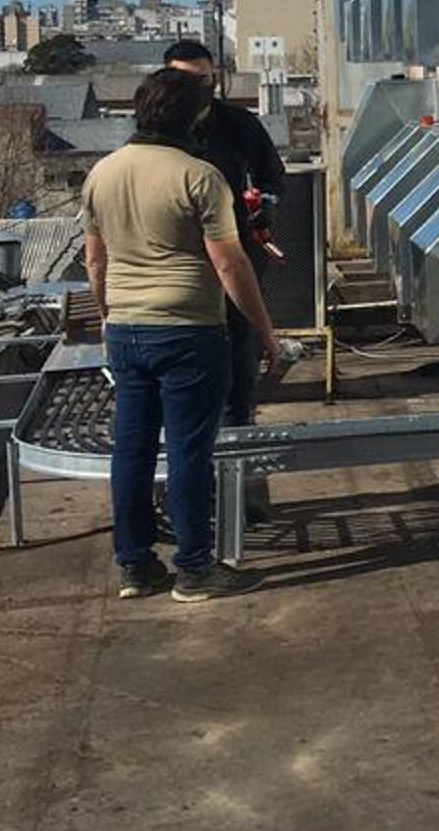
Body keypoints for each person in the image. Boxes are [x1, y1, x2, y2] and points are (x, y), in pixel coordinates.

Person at [81, 67, 281, 602]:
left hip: (125, 327)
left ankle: (136, 565)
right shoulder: (200, 176)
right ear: (192, 118)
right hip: (189, 329)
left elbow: (94, 260)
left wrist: (107, 315)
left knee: (133, 450)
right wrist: (264, 330)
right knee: (191, 451)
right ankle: (194, 568)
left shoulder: (102, 172)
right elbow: (230, 264)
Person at [161, 39, 288, 429]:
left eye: (204, 80)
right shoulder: (157, 127)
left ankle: (236, 424)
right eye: (186, 81)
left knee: (238, 339)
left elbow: (272, 176)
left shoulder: (238, 124)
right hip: (178, 258)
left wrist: (262, 206)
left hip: (235, 247)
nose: (197, 90)